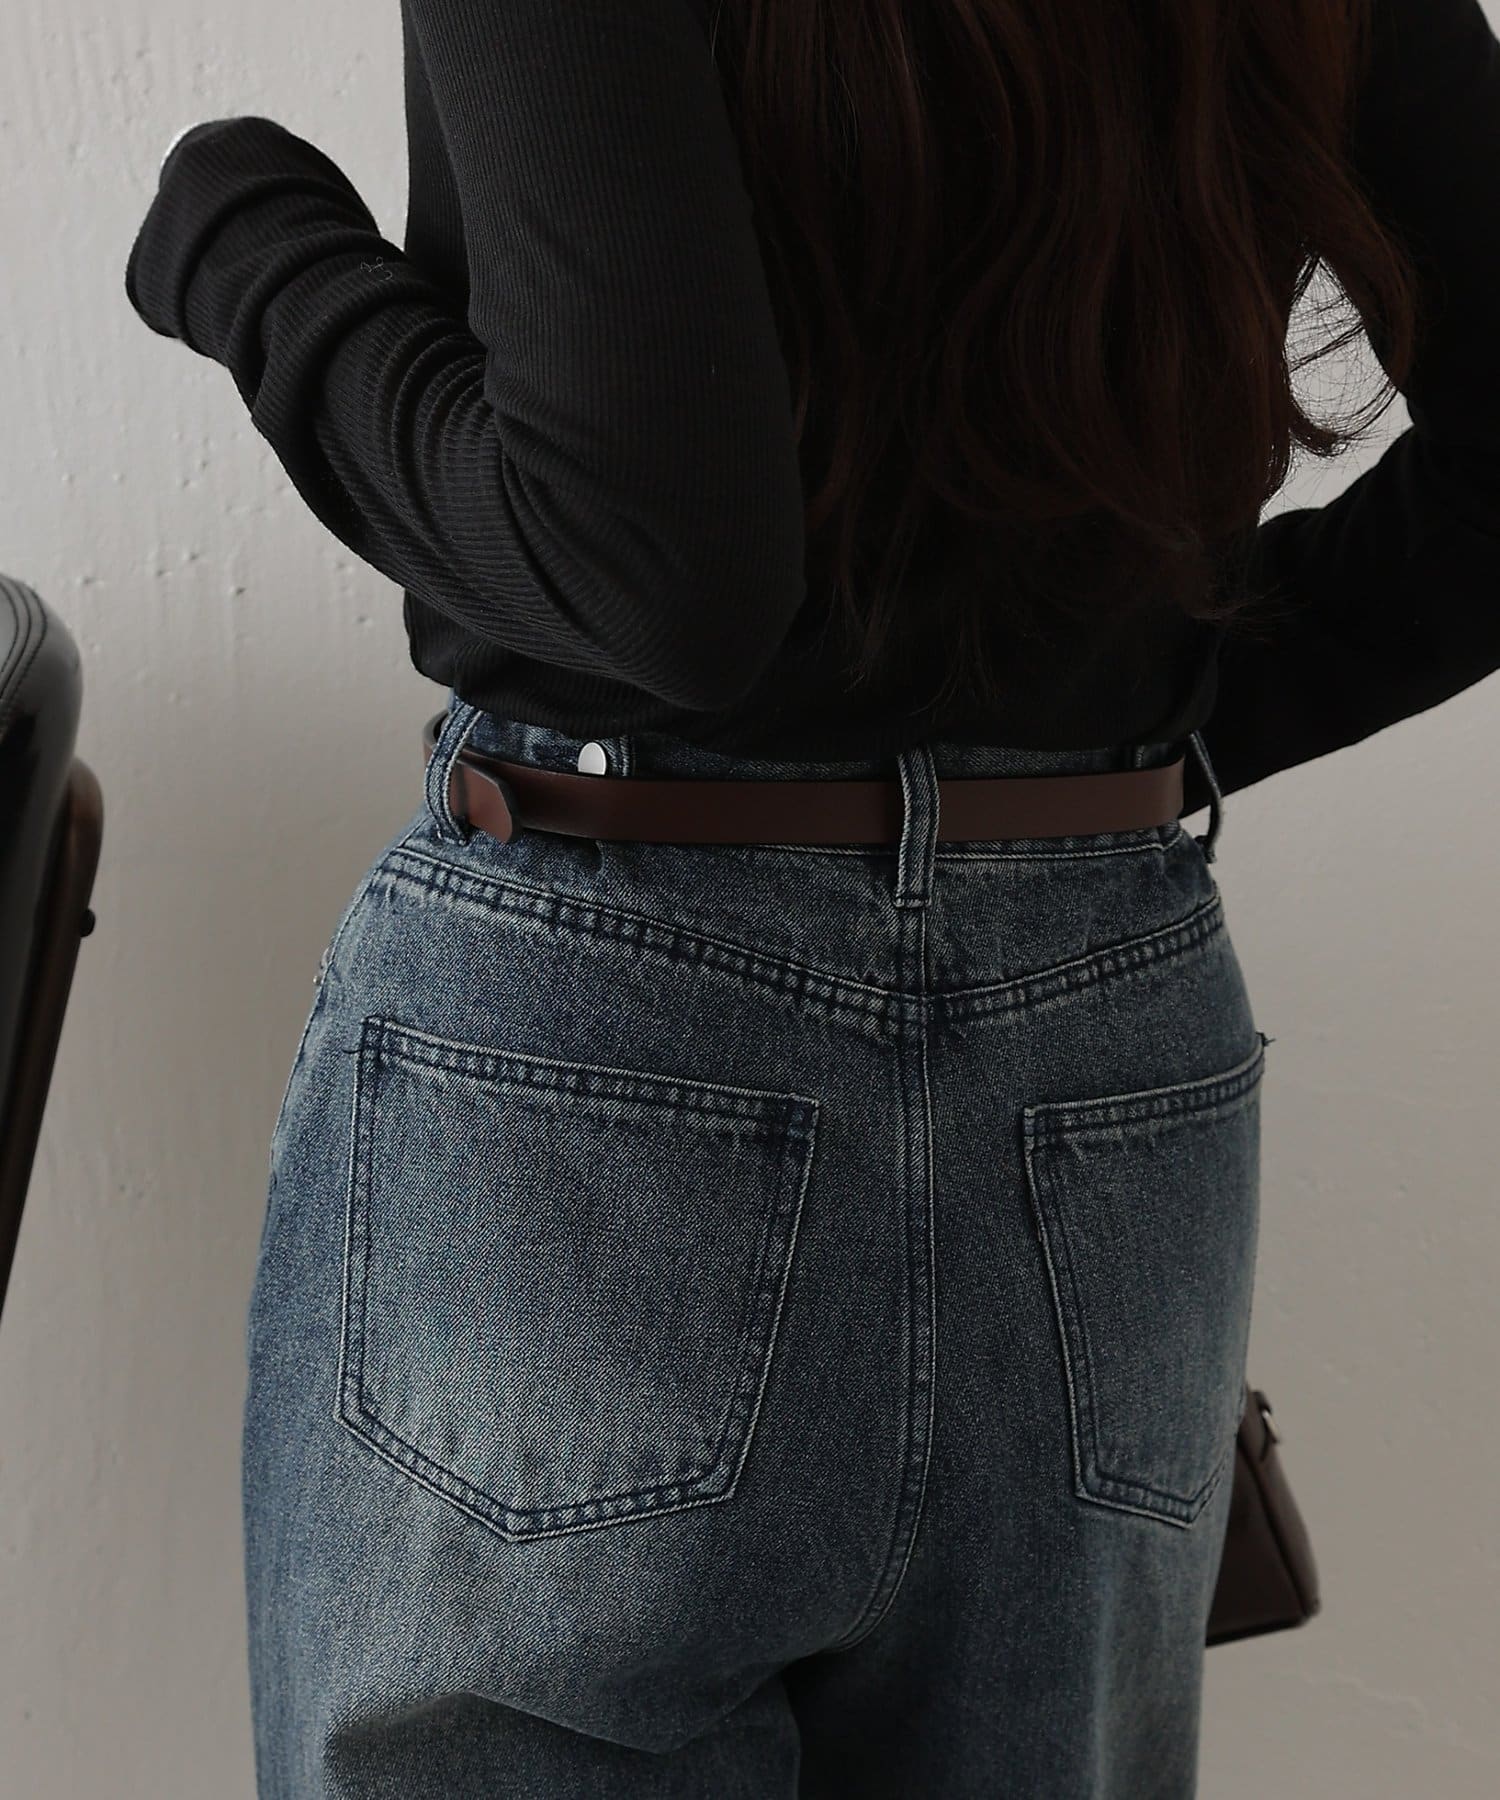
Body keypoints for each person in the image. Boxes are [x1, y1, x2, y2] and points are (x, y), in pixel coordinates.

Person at [123, 2, 1499, 1793]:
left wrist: (241, 236)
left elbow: (651, 573)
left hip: (605, 1030)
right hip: (1098, 1038)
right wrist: (1107, 730)